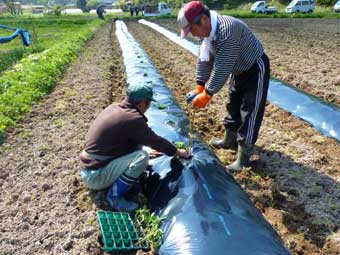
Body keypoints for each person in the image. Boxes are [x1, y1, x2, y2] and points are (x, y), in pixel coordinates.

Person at [177, 1, 270, 171]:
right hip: (238, 70)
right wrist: (200, 85)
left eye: (192, 29)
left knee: (250, 111)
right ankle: (229, 140)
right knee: (232, 106)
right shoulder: (205, 35)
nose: (193, 34)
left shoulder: (227, 29)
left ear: (204, 20)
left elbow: (222, 66)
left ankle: (243, 159)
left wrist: (208, 93)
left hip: (254, 68)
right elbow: (204, 60)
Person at [80, 83, 189, 212]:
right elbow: (155, 140)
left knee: (139, 150)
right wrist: (177, 151)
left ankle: (121, 182)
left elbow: (129, 141)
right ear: (142, 102)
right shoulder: (132, 119)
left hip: (90, 169)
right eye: (148, 103)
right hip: (96, 177)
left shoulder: (115, 107)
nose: (148, 108)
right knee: (142, 157)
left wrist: (138, 151)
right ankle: (114, 197)